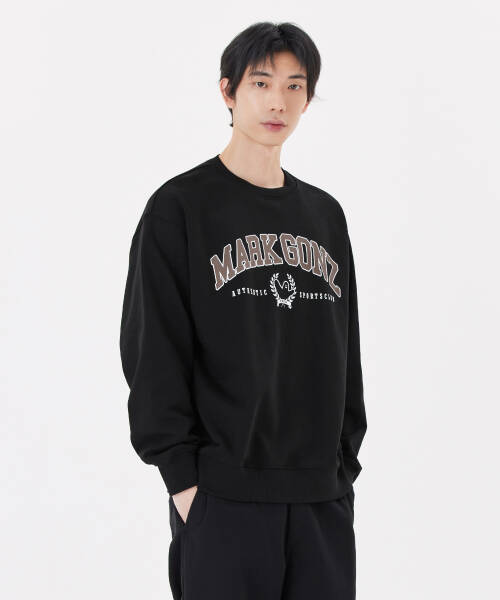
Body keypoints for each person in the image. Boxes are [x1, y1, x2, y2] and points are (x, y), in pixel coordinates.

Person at [119, 21, 367, 600]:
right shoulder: (180, 208)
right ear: (227, 91)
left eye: (294, 85)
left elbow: (346, 349)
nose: (278, 101)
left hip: (321, 501)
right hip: (222, 499)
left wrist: (342, 471)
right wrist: (184, 481)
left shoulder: (325, 216)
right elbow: (152, 351)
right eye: (261, 82)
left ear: (307, 98)